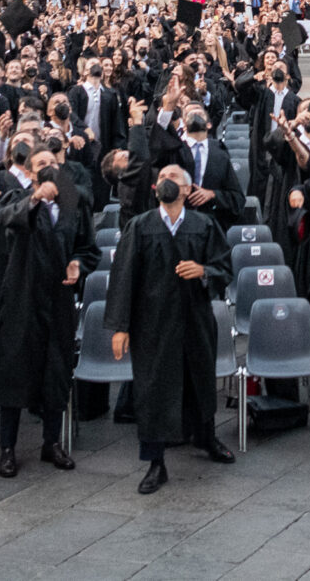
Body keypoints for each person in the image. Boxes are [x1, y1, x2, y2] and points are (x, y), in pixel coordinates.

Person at [105, 160, 234, 493]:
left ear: (188, 189)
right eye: (161, 177)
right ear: (154, 188)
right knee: (153, 390)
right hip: (153, 323)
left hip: (194, 318)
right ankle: (155, 462)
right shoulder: (140, 226)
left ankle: (206, 438)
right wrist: (121, 327)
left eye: (173, 177)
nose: (166, 180)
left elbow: (224, 268)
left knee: (199, 381)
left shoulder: (204, 225)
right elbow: (123, 278)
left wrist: (204, 271)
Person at [0, 135, 94, 477]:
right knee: (14, 369)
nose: (48, 168)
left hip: (58, 298)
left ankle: (51, 443)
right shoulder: (16, 197)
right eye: (41, 165)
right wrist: (34, 200)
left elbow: (87, 247)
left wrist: (77, 264)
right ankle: (8, 448)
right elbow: (7, 220)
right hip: (20, 296)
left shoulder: (73, 202)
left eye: (52, 164)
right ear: (30, 173)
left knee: (56, 369)